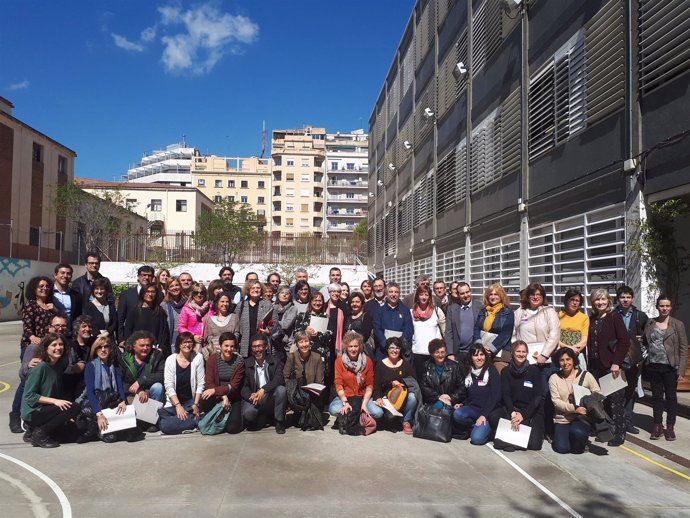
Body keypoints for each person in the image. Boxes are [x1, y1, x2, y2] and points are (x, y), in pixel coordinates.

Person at [514, 282, 561, 439]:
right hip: (525, 362)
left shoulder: (549, 312)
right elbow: (514, 334)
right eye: (532, 294)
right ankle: (531, 427)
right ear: (527, 296)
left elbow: (555, 334)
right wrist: (517, 352)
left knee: (545, 396)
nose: (535, 297)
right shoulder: (520, 312)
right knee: (528, 396)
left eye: (539, 295)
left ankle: (548, 429)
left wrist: (545, 355)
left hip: (545, 362)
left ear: (543, 297)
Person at [78, 335, 144, 443]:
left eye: (106, 346)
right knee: (111, 438)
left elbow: (119, 386)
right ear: (95, 349)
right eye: (100, 347)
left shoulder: (114, 366)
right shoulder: (91, 366)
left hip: (112, 401)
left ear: (110, 349)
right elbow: (90, 392)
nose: (103, 350)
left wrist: (122, 401)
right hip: (97, 403)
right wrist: (99, 414)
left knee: (134, 432)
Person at [9, 315, 67, 434]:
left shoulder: (65, 345)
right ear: (49, 327)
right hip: (35, 393)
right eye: (57, 326)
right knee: (27, 384)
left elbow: (68, 366)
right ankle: (16, 416)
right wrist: (28, 365)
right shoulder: (36, 346)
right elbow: (23, 374)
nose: (60, 329)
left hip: (51, 388)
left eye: (63, 326)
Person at [587, 288, 629, 446]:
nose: (600, 302)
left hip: (612, 366)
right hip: (596, 366)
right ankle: (606, 431)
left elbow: (624, 341)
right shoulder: (592, 319)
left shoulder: (614, 317)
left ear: (608, 301)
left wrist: (616, 362)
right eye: (597, 300)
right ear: (592, 302)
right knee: (600, 401)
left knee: (615, 401)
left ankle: (619, 433)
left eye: (603, 299)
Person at [21, 333, 79, 448]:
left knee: (70, 433)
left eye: (61, 344)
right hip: (33, 411)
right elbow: (29, 395)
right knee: (74, 407)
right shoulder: (40, 367)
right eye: (54, 345)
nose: (58, 348)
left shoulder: (58, 366)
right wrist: (55, 401)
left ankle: (32, 431)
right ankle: (40, 433)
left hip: (47, 409)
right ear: (46, 348)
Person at [643, 295, 688, 441]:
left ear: (671, 307)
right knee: (656, 397)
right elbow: (645, 342)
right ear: (657, 306)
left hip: (670, 367)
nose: (665, 308)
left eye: (667, 306)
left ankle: (670, 427)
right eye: (662, 305)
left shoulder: (677, 324)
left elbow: (683, 348)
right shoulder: (650, 323)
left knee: (671, 397)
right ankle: (657, 425)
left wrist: (681, 370)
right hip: (654, 366)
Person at [489, 341, 544, 451]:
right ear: (512, 353)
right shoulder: (506, 371)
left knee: (534, 445)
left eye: (524, 352)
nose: (521, 354)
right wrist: (513, 413)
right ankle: (511, 439)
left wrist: (523, 415)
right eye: (518, 351)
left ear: (527, 353)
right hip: (513, 409)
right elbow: (506, 394)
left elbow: (538, 396)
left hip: (531, 410)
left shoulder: (534, 371)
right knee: (493, 416)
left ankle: (507, 442)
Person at [550, 348, 601, 454]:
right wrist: (575, 409)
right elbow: (556, 402)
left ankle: (581, 440)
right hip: (563, 418)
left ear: (573, 360)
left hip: (582, 418)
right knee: (561, 448)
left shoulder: (586, 375)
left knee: (578, 437)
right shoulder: (554, 378)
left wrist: (588, 407)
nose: (565, 363)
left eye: (568, 359)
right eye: (562, 360)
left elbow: (597, 393)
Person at [329, 331, 384, 428]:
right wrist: (345, 403)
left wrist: (364, 404)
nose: (353, 349)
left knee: (378, 413)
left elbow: (370, 385)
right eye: (350, 346)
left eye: (356, 346)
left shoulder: (367, 361)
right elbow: (338, 384)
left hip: (362, 397)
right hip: (346, 397)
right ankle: (357, 415)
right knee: (334, 409)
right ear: (346, 347)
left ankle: (353, 415)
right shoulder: (339, 361)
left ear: (360, 347)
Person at [614, 285, 649, 435]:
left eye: (628, 297)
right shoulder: (612, 315)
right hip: (617, 360)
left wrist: (643, 339)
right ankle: (616, 422)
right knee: (616, 392)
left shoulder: (640, 316)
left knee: (630, 392)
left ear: (632, 299)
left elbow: (648, 336)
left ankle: (627, 421)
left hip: (634, 360)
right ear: (618, 299)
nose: (625, 300)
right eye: (622, 297)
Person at [453, 343, 501, 445]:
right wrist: (462, 404)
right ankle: (476, 426)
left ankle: (488, 430)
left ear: (485, 356)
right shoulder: (469, 372)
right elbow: (469, 395)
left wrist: (484, 415)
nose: (479, 358)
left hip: (488, 412)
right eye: (475, 355)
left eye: (481, 354)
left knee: (476, 439)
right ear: (471, 357)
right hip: (473, 409)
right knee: (457, 414)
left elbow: (496, 397)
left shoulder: (491, 370)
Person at [117, 330, 165, 431]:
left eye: (148, 345)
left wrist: (141, 381)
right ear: (134, 346)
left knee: (158, 387)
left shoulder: (156, 355)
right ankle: (140, 421)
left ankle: (151, 420)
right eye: (142, 345)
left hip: (150, 392)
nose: (145, 348)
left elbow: (161, 375)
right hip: (131, 394)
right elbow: (120, 381)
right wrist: (138, 391)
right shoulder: (124, 358)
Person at [158, 332, 205, 435]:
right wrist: (178, 406)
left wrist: (195, 404)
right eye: (184, 342)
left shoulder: (198, 358)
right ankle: (195, 420)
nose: (187, 345)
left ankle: (190, 418)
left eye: (190, 342)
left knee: (165, 425)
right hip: (174, 404)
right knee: (162, 417)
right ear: (179, 344)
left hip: (191, 403)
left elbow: (201, 384)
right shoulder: (170, 359)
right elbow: (169, 386)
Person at [200, 332, 245, 434]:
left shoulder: (239, 362)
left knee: (232, 429)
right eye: (226, 346)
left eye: (232, 346)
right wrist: (223, 397)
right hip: (217, 397)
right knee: (205, 397)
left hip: (233, 397)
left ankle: (234, 418)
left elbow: (234, 386)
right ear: (220, 346)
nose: (229, 349)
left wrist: (217, 391)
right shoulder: (213, 359)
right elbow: (209, 383)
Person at [241, 335, 287, 434]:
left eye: (260, 346)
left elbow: (279, 379)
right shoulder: (246, 363)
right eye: (254, 347)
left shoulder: (276, 361)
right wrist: (251, 396)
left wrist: (263, 390)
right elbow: (243, 387)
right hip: (254, 399)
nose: (257, 349)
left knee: (281, 390)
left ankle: (279, 421)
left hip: (269, 397)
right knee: (248, 415)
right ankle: (263, 416)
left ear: (266, 347)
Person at [419, 339, 466, 431]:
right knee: (440, 406)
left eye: (442, 352)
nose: (440, 355)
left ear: (446, 352)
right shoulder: (426, 366)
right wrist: (439, 397)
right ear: (432, 353)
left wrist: (450, 397)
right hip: (432, 401)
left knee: (445, 407)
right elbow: (423, 386)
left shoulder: (455, 366)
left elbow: (462, 387)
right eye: (437, 352)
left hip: (450, 401)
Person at [373, 337, 417, 434]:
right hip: (386, 398)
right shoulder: (380, 365)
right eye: (391, 348)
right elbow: (376, 385)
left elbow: (413, 381)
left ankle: (406, 421)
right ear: (387, 349)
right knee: (386, 416)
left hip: (402, 397)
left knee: (413, 397)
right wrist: (378, 398)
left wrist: (401, 383)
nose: (394, 350)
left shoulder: (406, 365)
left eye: (397, 348)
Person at [283, 331, 325, 429]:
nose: (304, 344)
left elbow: (320, 381)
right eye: (301, 342)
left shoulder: (317, 357)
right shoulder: (292, 357)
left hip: (312, 393)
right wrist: (291, 390)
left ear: (309, 342)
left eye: (306, 341)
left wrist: (314, 390)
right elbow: (285, 377)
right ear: (297, 344)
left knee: (313, 421)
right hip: (296, 393)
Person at [294, 292, 334, 384]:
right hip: (305, 353)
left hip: (321, 354)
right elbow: (295, 334)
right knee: (304, 381)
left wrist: (319, 334)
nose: (317, 303)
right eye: (315, 300)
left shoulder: (326, 317)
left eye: (320, 301)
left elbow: (330, 334)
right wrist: (305, 332)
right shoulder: (302, 316)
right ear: (310, 302)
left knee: (320, 382)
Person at [473, 283, 514, 368]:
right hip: (482, 351)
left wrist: (491, 348)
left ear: (501, 296)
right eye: (490, 294)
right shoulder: (483, 311)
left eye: (496, 294)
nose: (493, 297)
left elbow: (506, 334)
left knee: (497, 377)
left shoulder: (508, 312)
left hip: (499, 354)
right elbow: (476, 328)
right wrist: (479, 344)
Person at [123, 283, 170, 355]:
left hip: (155, 350)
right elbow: (128, 330)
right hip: (137, 350)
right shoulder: (135, 311)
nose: (150, 294)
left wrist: (160, 348)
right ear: (142, 293)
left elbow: (163, 332)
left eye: (153, 292)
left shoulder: (160, 312)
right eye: (147, 291)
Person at [410, 285, 446, 378]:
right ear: (417, 296)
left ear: (429, 297)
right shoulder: (411, 312)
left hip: (434, 353)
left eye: (426, 295)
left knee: (434, 379)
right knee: (420, 379)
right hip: (417, 352)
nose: (424, 297)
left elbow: (444, 331)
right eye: (421, 294)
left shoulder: (437, 311)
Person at [373, 282, 414, 361]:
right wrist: (386, 345)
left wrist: (399, 346)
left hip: (400, 351)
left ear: (399, 294)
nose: (394, 294)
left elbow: (408, 329)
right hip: (383, 352)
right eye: (391, 292)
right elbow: (377, 329)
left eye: (396, 292)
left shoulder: (405, 311)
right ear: (386, 293)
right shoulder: (379, 312)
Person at [20, 275, 57, 361]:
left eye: (47, 286)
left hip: (48, 345)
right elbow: (26, 325)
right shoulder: (31, 304)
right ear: (34, 289)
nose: (45, 288)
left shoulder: (51, 306)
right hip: (33, 345)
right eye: (41, 286)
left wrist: (56, 310)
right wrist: (32, 337)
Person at [235, 280, 274, 358]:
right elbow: (236, 323)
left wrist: (269, 331)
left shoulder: (267, 304)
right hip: (245, 344)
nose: (255, 290)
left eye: (258, 288)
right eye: (252, 288)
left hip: (261, 343)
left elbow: (274, 322)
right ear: (248, 290)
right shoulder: (241, 305)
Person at [117, 265, 156, 342]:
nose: (146, 277)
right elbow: (120, 319)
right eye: (143, 275)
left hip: (152, 339)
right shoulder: (126, 295)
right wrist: (121, 339)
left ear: (153, 278)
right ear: (138, 277)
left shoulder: (158, 295)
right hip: (131, 338)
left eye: (149, 275)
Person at [445, 282, 481, 363]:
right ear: (458, 295)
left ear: (470, 291)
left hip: (475, 351)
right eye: (462, 293)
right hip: (457, 353)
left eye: (467, 292)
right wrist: (450, 353)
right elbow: (448, 332)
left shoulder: (479, 307)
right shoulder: (452, 309)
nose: (466, 295)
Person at [63, 315, 95, 400]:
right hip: (72, 383)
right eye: (84, 326)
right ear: (77, 329)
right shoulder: (70, 345)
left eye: (90, 326)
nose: (87, 329)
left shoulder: (95, 343)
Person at [558, 289, 590, 369]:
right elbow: (555, 338)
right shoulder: (558, 315)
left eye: (577, 301)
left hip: (577, 354)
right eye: (572, 300)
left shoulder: (584, 318)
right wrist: (568, 349)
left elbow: (584, 341)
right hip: (560, 355)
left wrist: (573, 350)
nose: (574, 303)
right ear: (566, 300)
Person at [202, 293, 239, 359]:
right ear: (217, 303)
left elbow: (236, 334)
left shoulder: (234, 317)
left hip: (231, 353)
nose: (225, 304)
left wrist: (227, 346)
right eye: (222, 301)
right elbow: (209, 337)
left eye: (227, 302)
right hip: (215, 353)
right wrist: (219, 346)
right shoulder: (210, 319)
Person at [178, 282, 211, 352]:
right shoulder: (186, 308)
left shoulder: (210, 307)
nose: (199, 295)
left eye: (202, 292)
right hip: (192, 344)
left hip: (208, 344)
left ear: (205, 294)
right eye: (196, 293)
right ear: (192, 294)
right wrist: (193, 336)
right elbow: (181, 327)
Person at [269, 285, 298, 360]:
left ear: (290, 296)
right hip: (273, 343)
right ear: (278, 295)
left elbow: (286, 325)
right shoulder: (272, 307)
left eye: (287, 293)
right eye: (282, 293)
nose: (284, 295)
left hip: (286, 344)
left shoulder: (293, 308)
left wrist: (272, 322)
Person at [52, 263, 81, 332]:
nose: (65, 276)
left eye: (68, 274)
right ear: (55, 275)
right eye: (62, 273)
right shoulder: (48, 293)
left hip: (69, 332)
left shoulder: (76, 295)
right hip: (52, 333)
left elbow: (78, 316)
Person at [161, 278, 185, 351]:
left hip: (186, 339)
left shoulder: (188, 303)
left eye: (177, 285)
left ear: (180, 287)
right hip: (171, 341)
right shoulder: (164, 305)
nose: (175, 288)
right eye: (171, 286)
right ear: (168, 289)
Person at [325, 283, 348, 360]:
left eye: (338, 292)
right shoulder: (324, 306)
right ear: (329, 293)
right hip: (326, 342)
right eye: (333, 291)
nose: (336, 294)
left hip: (339, 342)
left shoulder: (344, 307)